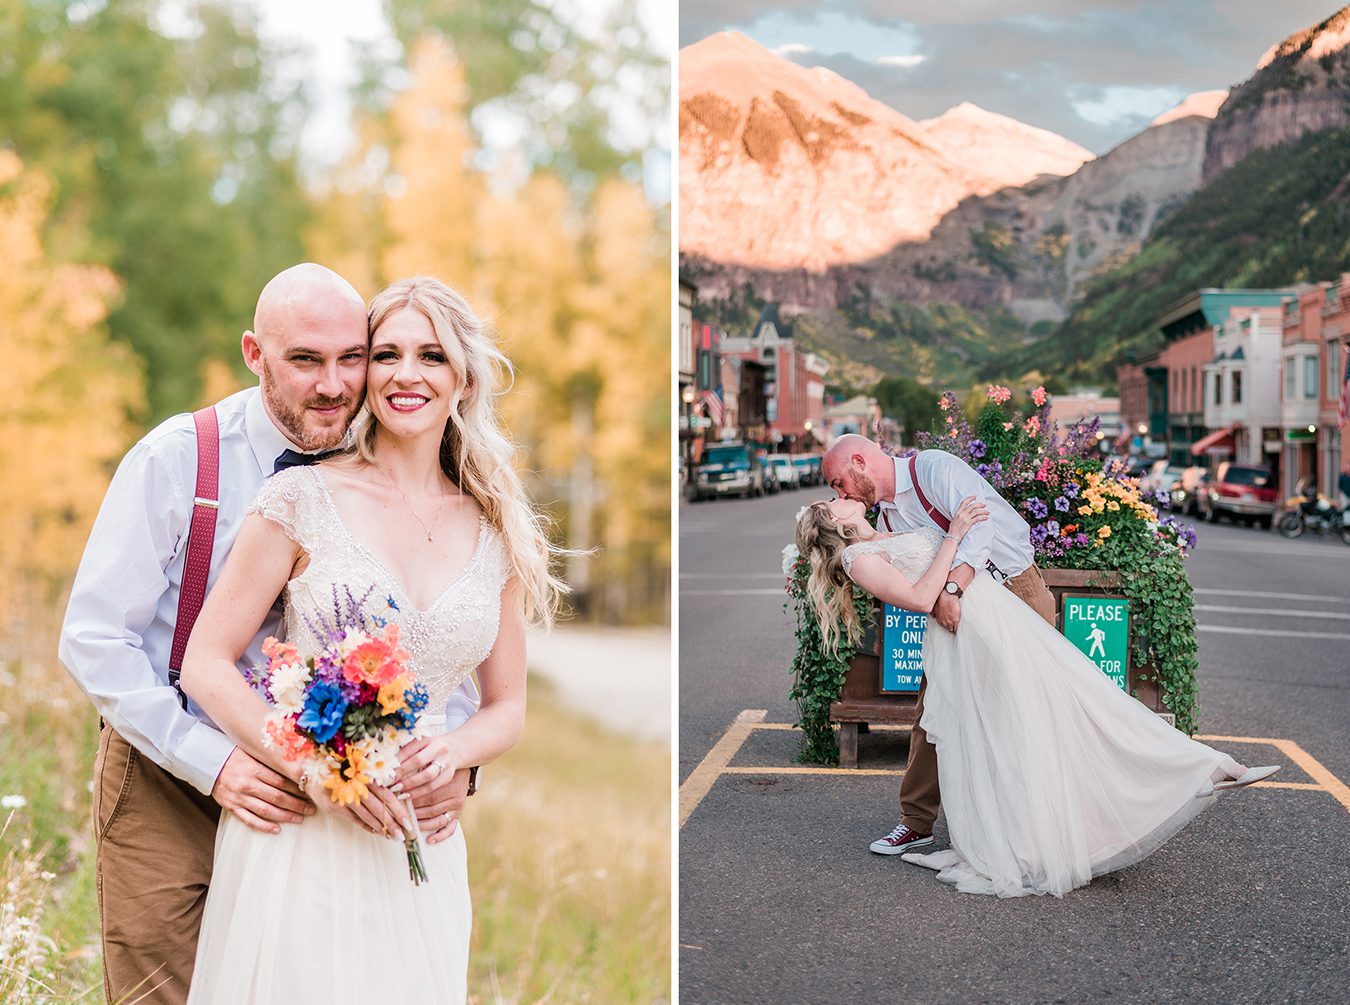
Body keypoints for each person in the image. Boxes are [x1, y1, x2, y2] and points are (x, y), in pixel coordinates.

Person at [59, 265, 480, 1005]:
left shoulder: (392, 473)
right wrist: (217, 764)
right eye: (305, 361)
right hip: (172, 773)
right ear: (255, 355)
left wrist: (456, 762)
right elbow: (94, 637)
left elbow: (440, 634)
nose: (334, 384)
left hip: (326, 809)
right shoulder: (179, 458)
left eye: (352, 357)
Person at [179, 276, 565, 1002]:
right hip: (302, 836)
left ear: (463, 379)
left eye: (431, 355)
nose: (405, 374)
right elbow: (206, 662)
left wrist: (454, 752)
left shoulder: (494, 529)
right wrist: (314, 767)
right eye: (385, 353)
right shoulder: (301, 499)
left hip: (421, 844)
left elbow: (506, 706)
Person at [794, 493, 1279, 899]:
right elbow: (922, 599)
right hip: (970, 636)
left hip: (996, 617)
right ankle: (1184, 777)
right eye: (833, 498)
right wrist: (955, 535)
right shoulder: (858, 559)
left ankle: (1198, 768)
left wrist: (954, 543)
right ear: (835, 520)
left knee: (1075, 697)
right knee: (1034, 721)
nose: (841, 493)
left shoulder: (883, 534)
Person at [821, 434, 1058, 856]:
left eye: (840, 483)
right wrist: (943, 598)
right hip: (953, 610)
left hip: (1014, 590)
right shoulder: (887, 520)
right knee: (935, 707)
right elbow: (915, 578)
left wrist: (951, 589)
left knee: (1024, 706)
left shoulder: (933, 469)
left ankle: (1038, 820)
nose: (841, 493)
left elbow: (979, 530)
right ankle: (916, 822)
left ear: (859, 460)